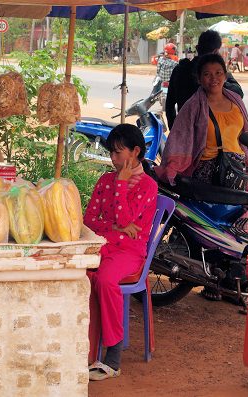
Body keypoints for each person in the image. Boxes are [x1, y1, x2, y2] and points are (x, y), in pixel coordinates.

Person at [85, 124, 158, 381]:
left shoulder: (148, 186)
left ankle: (113, 357)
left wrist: (121, 185)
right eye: (111, 153)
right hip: (105, 245)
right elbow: (89, 220)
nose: (112, 158)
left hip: (130, 252)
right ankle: (84, 349)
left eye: (118, 152)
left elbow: (125, 216)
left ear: (135, 151)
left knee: (105, 280)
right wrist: (116, 227)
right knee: (77, 272)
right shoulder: (104, 179)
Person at [156, 53, 248, 192]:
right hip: (208, 174)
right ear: (199, 79)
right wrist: (171, 169)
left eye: (218, 73)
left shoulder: (236, 101)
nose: (214, 78)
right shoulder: (193, 107)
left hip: (237, 170)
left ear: (225, 76)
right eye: (207, 74)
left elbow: (244, 135)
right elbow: (179, 138)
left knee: (239, 211)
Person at [165, 30, 243, 129]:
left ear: (197, 48)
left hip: (185, 128)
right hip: (209, 132)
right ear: (216, 52)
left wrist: (174, 130)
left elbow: (169, 104)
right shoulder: (216, 77)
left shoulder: (180, 70)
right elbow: (239, 93)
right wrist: (223, 74)